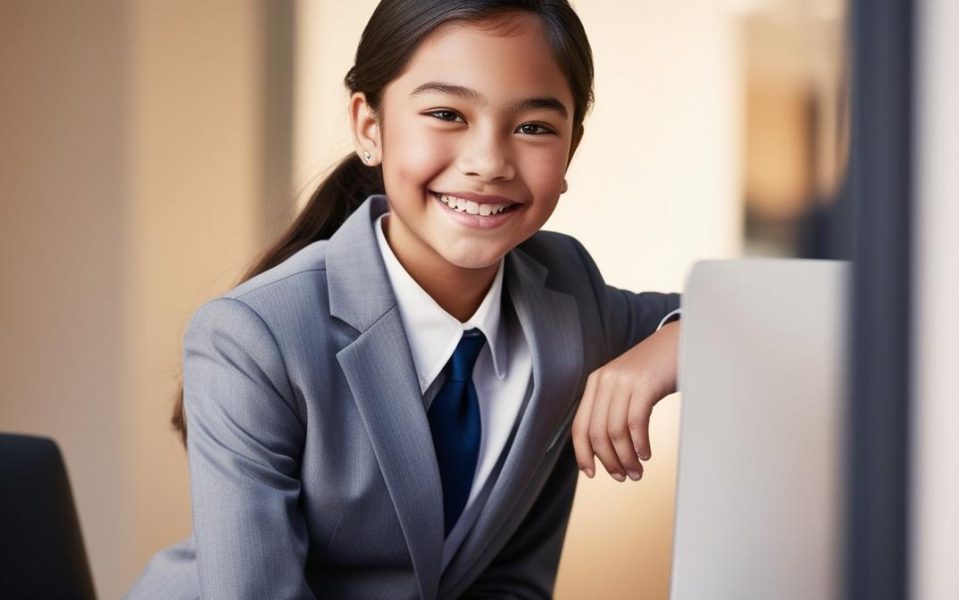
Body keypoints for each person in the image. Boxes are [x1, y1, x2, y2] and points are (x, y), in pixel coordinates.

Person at [128, 1, 681, 598]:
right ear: (370, 127)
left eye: (534, 127)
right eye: (446, 113)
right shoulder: (251, 336)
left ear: (571, 146)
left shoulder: (567, 289)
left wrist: (673, 345)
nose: (489, 163)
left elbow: (768, 313)